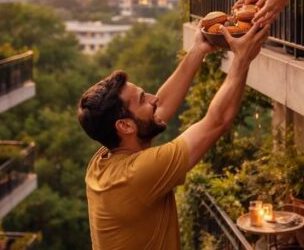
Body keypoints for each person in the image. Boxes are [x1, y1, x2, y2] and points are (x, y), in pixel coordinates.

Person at [77, 25, 269, 249]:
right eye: (142, 99)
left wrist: (198, 49)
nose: (153, 99)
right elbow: (217, 121)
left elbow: (161, 105)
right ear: (125, 126)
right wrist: (242, 57)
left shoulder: (104, 161)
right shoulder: (135, 174)